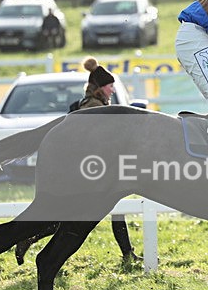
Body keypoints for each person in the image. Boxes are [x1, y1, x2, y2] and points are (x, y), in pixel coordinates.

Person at [15, 56, 139, 265]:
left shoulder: (97, 102)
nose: (113, 90)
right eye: (110, 86)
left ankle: (127, 254)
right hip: (85, 172)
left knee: (114, 211)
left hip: (93, 169)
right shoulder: (92, 106)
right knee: (72, 220)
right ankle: (29, 237)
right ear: (100, 87)